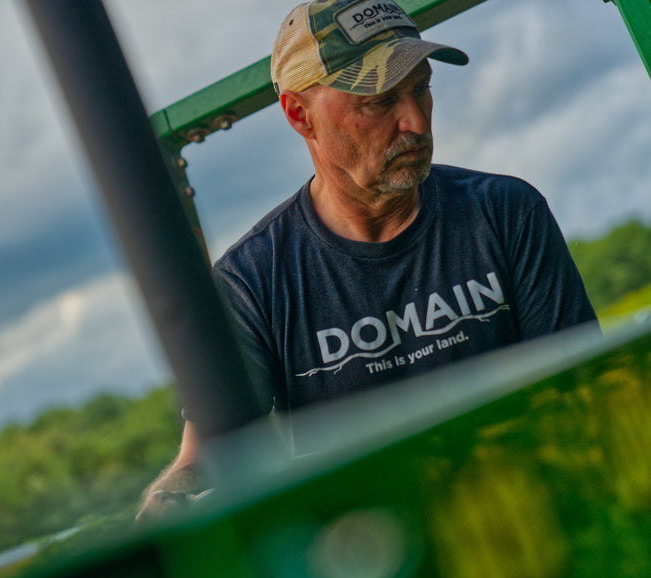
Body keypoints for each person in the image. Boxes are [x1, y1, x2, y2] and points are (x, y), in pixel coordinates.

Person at [136, 0, 597, 523]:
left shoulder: (506, 213)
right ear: (298, 114)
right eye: (379, 101)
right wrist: (172, 501)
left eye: (421, 88)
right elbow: (210, 456)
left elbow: (583, 393)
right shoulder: (251, 282)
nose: (416, 122)